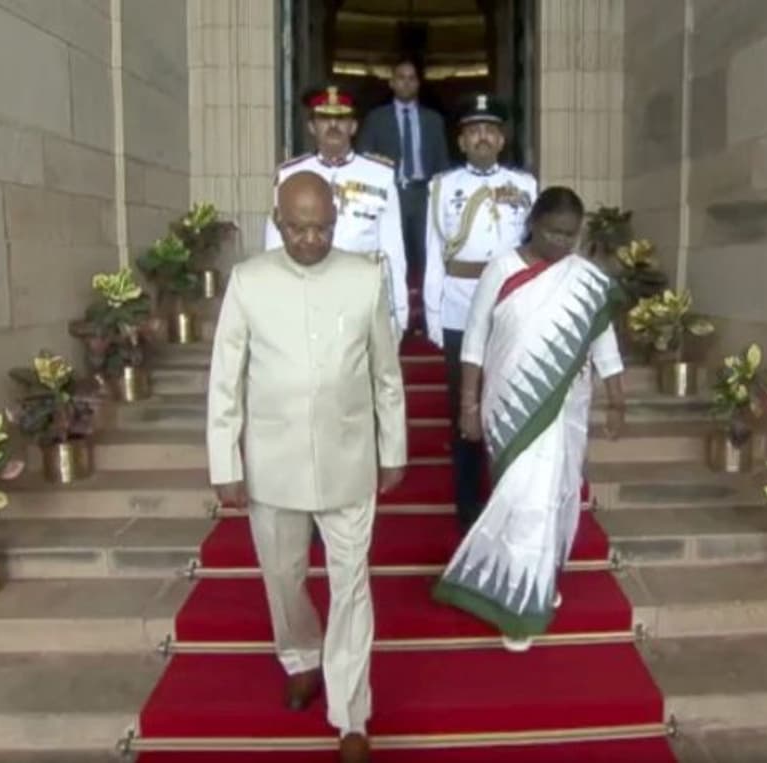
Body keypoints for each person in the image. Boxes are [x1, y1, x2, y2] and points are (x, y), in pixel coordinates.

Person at [209, 171, 407, 763]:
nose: (311, 240)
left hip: (349, 459)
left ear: (336, 222)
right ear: (278, 221)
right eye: (298, 228)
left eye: (322, 228)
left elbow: (386, 374)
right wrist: (224, 460)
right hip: (273, 464)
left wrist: (392, 449)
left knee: (352, 585)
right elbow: (225, 382)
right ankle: (300, 656)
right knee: (283, 577)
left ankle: (352, 714)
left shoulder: (365, 277)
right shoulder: (249, 281)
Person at [431, 186, 626, 653]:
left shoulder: (585, 279)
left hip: (565, 407)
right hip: (508, 405)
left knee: (554, 497)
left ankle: (538, 578)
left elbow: (603, 343)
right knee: (522, 500)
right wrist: (468, 405)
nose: (561, 242)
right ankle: (518, 600)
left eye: (570, 235)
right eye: (553, 231)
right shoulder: (501, 269)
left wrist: (617, 400)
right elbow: (474, 340)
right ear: (533, 223)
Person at [422, 93, 537, 532]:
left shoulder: (525, 186)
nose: (483, 137)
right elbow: (434, 255)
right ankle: (468, 511)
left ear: (502, 139)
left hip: (511, 305)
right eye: (474, 130)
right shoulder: (442, 187)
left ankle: (509, 501)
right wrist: (434, 316)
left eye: (490, 129)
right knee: (464, 409)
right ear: (462, 140)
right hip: (461, 305)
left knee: (512, 402)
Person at [265, 84, 409, 340]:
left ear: (353, 127)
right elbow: (274, 248)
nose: (333, 125)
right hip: (307, 290)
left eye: (341, 119)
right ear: (312, 127)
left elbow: (393, 252)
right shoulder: (290, 174)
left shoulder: (380, 175)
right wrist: (276, 304)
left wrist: (398, 312)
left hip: (361, 292)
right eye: (324, 118)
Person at [357, 56, 450, 283]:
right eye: (401, 78)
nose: (406, 83)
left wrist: (441, 197)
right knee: (392, 252)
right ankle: (392, 299)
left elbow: (442, 163)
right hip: (390, 193)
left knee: (426, 253)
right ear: (391, 82)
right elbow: (364, 159)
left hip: (423, 195)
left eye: (411, 78)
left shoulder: (433, 120)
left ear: (418, 83)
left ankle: (424, 301)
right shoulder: (376, 118)